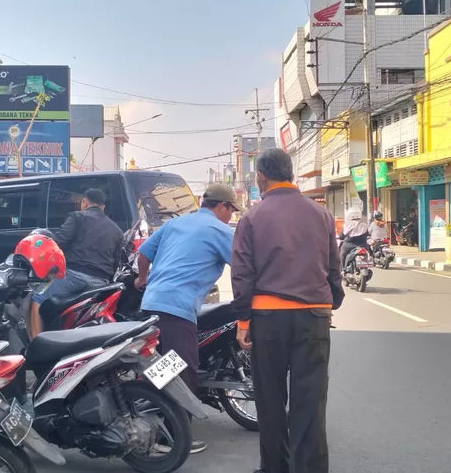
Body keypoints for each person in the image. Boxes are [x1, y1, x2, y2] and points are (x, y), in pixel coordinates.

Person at [231, 148, 344, 473]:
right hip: (314, 317)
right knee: (310, 404)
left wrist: (243, 321)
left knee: (270, 401)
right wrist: (330, 302)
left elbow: (242, 274)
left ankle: (275, 469)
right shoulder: (320, 214)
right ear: (292, 174)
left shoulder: (252, 217)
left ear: (261, 177)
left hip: (268, 320)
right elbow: (333, 267)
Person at [134, 183, 239, 455]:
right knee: (181, 372)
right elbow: (242, 266)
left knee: (157, 369)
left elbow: (143, 252)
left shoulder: (175, 224)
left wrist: (142, 278)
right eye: (231, 210)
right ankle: (172, 436)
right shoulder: (218, 230)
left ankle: (150, 426)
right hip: (176, 310)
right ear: (222, 206)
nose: (230, 216)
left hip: (151, 307)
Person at [28, 188, 123, 338]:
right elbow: (116, 261)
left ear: (85, 202)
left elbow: (60, 242)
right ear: (102, 207)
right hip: (101, 283)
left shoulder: (77, 217)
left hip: (74, 276)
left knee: (37, 298)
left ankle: (35, 345)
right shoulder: (117, 230)